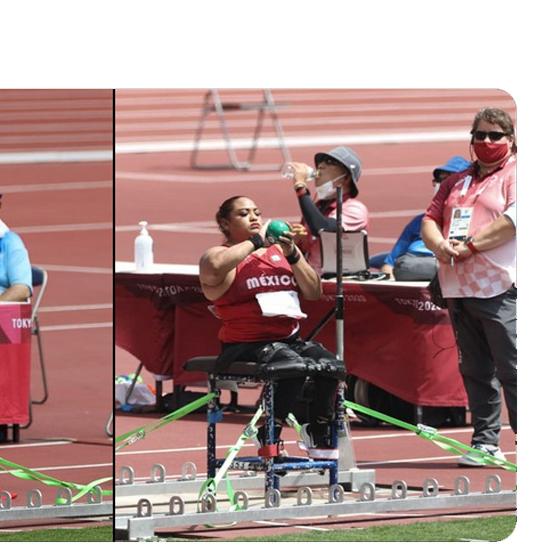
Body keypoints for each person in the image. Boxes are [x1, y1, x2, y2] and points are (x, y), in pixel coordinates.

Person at [198, 196, 343, 458]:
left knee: (330, 364)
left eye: (257, 212)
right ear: (225, 223)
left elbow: (313, 291)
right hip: (246, 344)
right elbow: (214, 269)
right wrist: (255, 242)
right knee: (292, 367)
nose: (254, 217)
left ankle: (318, 429)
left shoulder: (279, 254)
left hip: (288, 340)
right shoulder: (219, 255)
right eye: (244, 214)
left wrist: (294, 255)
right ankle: (270, 431)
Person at [421, 107, 516, 467]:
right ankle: (485, 443)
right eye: (480, 135)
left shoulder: (518, 173)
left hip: (501, 286)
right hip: (459, 287)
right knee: (476, 370)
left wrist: (471, 246)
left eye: (496, 135)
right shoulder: (457, 180)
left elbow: (513, 221)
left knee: (515, 369)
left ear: (511, 140)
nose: (487, 142)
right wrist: (439, 245)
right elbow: (430, 218)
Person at [371, 156, 471, 280]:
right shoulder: (420, 221)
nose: (443, 184)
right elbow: (389, 266)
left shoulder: (474, 222)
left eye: (450, 179)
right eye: (440, 180)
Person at [283, 147, 368, 273]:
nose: (321, 166)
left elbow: (322, 228)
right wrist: (294, 242)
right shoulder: (317, 208)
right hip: (312, 281)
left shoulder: (355, 209)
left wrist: (300, 187)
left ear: (346, 177)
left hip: (341, 281)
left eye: (329, 162)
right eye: (321, 162)